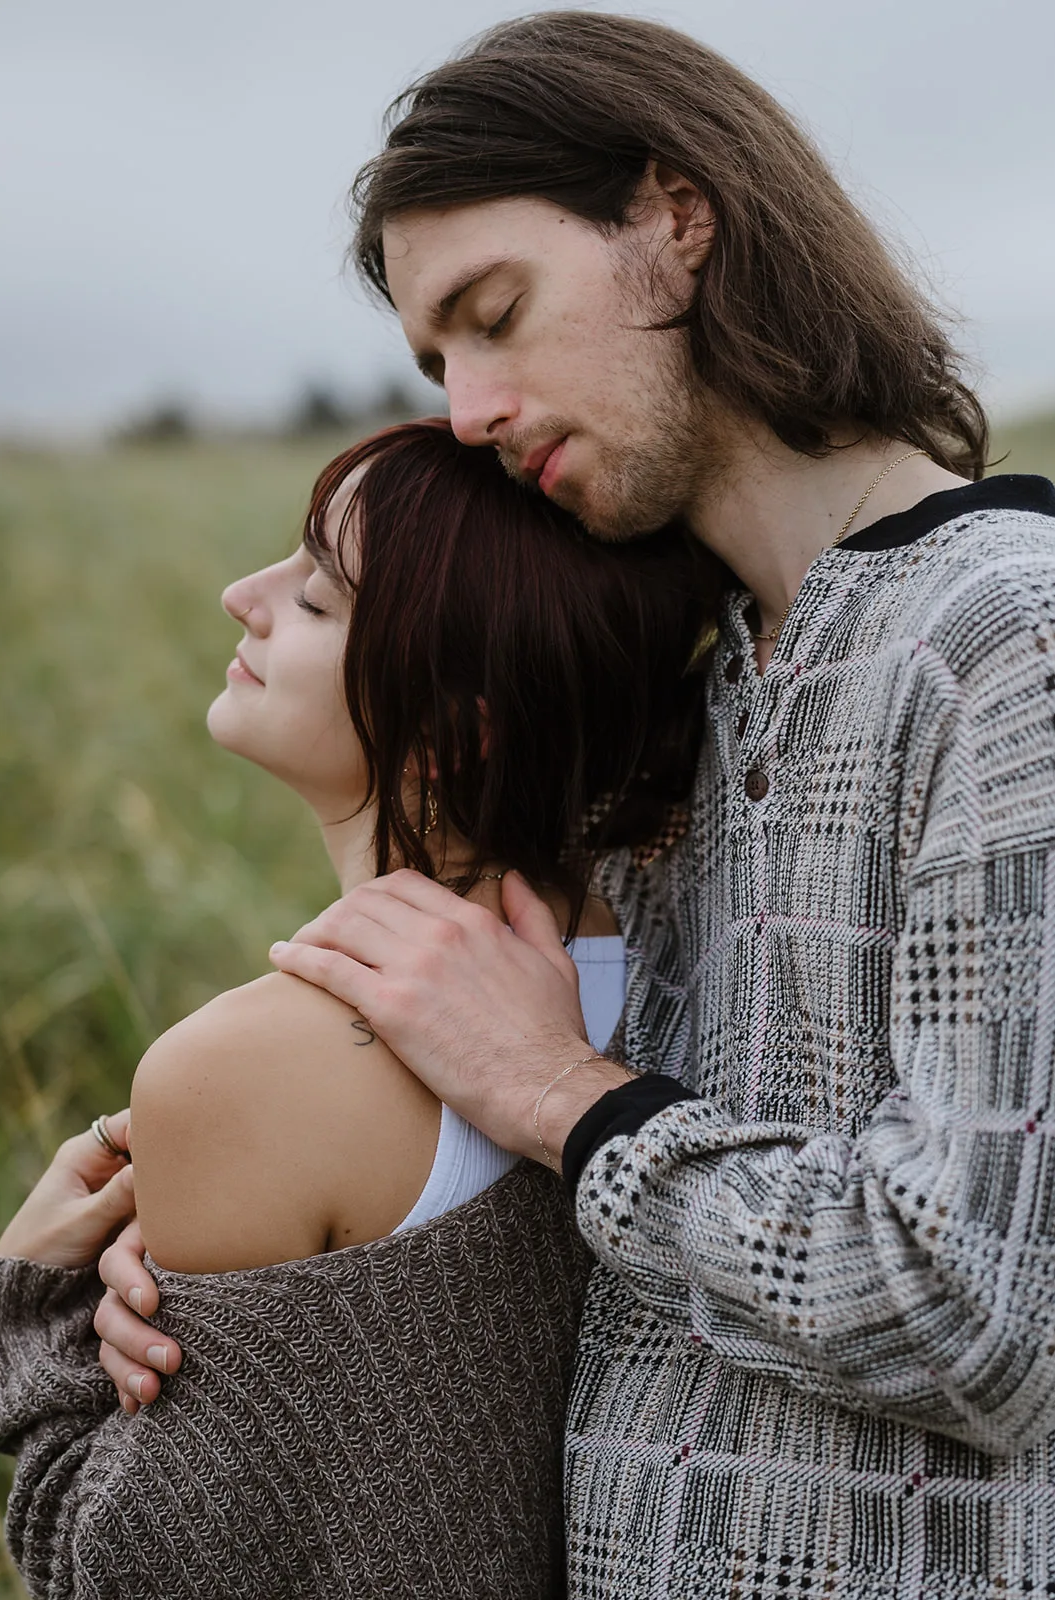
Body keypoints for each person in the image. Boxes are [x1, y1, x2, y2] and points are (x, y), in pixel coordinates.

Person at [96, 13, 1055, 1597]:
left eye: (495, 314)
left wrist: (563, 1093)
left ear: (677, 219)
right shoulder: (705, 680)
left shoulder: (1005, 648)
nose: (468, 408)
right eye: (435, 360)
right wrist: (211, 1275)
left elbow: (981, 1310)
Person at [0, 417, 715, 1599]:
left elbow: (136, 1574)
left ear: (456, 728)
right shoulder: (670, 968)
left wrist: (25, 1319)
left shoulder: (248, 1068)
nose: (242, 596)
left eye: (319, 601)